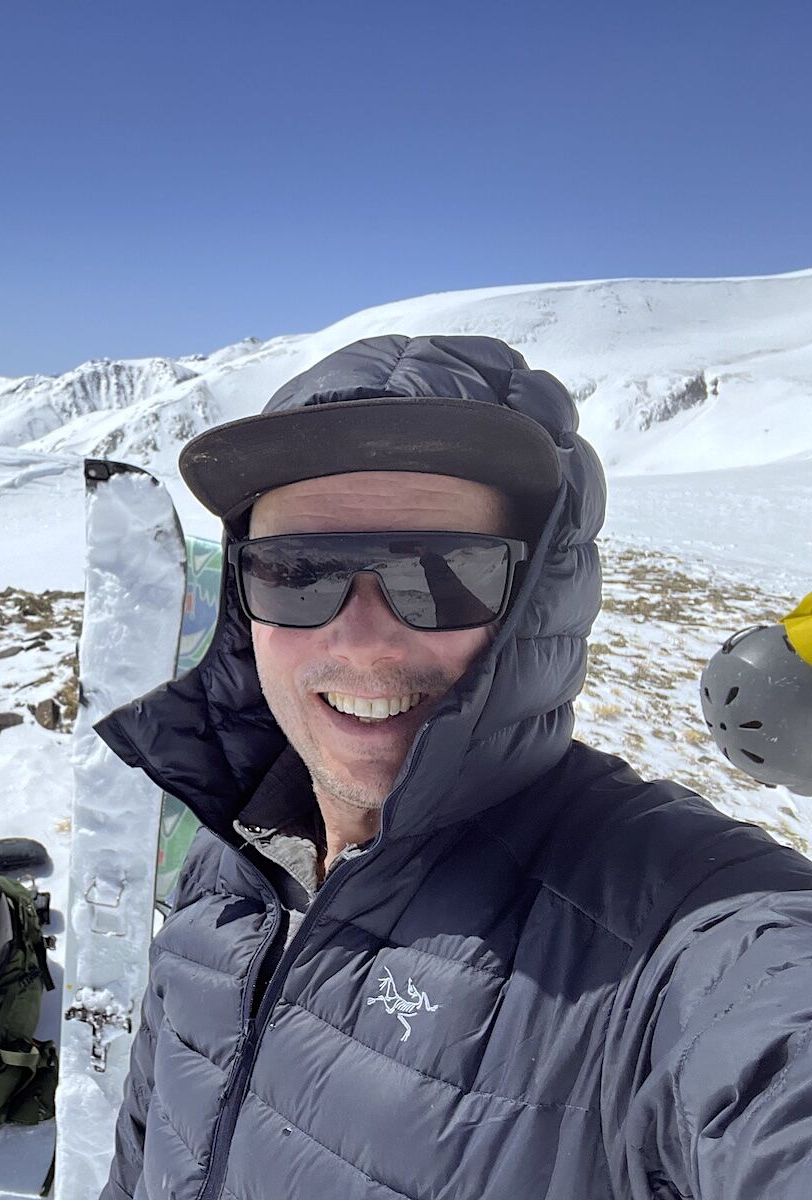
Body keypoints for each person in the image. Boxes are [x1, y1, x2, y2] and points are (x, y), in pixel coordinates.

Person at [94, 334, 812, 1199]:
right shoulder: (231, 863)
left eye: (441, 574)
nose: (360, 642)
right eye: (295, 572)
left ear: (540, 598)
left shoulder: (683, 936)